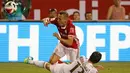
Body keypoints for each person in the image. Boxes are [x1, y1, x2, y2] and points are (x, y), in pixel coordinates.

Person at [24, 51, 102, 73]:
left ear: (91, 55)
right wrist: (96, 68)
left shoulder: (82, 58)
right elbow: (89, 69)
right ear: (97, 61)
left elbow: (84, 63)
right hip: (66, 68)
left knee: (46, 64)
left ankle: (29, 61)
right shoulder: (93, 70)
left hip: (62, 69)